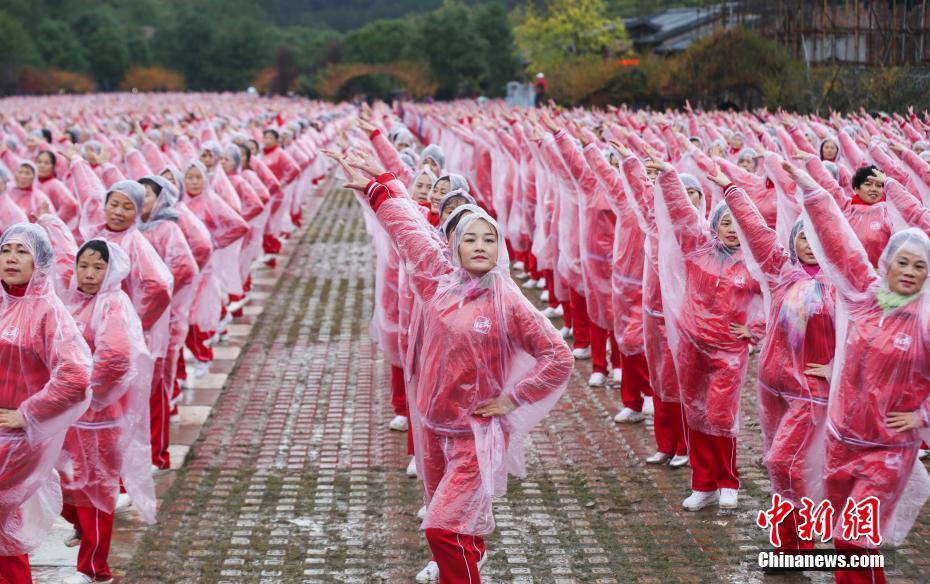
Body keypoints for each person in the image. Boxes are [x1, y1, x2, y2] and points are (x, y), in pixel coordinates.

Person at [332, 150, 572, 584]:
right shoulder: (436, 281)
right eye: (470, 239)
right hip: (431, 426)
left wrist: (512, 399)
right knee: (455, 523)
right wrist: (380, 188)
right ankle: (465, 562)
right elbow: (411, 234)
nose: (480, 247)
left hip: (475, 436)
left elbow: (558, 356)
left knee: (442, 525)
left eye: (488, 239)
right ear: (454, 244)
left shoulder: (506, 298)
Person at [798, 165, 930, 584]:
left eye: (920, 267)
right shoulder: (862, 298)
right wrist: (810, 189)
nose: (909, 271)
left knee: (855, 536)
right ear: (888, 263)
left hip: (888, 448)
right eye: (902, 262)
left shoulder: (926, 319)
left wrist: (923, 418)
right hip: (843, 438)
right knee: (846, 542)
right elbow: (840, 246)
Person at [724, 167, 835, 552]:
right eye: (802, 235)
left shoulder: (845, 286)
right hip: (773, 386)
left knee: (782, 462)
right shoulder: (781, 274)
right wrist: (730, 190)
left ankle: (803, 544)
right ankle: (789, 548)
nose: (807, 242)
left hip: (811, 390)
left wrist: (836, 369)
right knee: (782, 472)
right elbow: (755, 231)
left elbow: (869, 334)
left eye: (816, 236)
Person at [653, 162, 763, 511]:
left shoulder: (754, 263)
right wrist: (669, 177)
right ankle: (703, 484)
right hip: (691, 345)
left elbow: (778, 298)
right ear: (714, 225)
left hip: (729, 349)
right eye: (724, 222)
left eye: (737, 223)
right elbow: (684, 214)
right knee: (695, 412)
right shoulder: (697, 249)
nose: (731, 230)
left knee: (720, 415)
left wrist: (754, 331)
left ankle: (728, 480)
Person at [54, 238, 157, 584]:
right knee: (63, 481)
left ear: (112, 270)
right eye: (83, 265)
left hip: (99, 417)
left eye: (98, 267)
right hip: (71, 413)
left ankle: (94, 570)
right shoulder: (74, 302)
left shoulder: (113, 304)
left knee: (94, 491)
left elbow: (115, 358)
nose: (89, 273)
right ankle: (85, 529)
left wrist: (84, 390)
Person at [0, 224, 92, 583]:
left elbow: (76, 376)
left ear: (39, 260)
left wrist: (27, 414)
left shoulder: (47, 312)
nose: (11, 258)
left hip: (18, 439)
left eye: (22, 251)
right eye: (6, 250)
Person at [138, 176, 198, 470]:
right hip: (134, 321)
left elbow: (185, 267)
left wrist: (160, 303)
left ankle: (158, 456)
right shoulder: (134, 231)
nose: (141, 201)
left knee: (157, 385)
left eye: (147, 195)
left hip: (160, 320)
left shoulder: (167, 229)